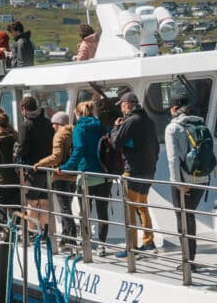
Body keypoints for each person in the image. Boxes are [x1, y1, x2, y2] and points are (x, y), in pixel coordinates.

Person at [164, 95, 210, 271]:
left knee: (183, 218)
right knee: (190, 215)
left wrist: (177, 183)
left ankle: (188, 261)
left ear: (174, 109)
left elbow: (172, 159)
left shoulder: (173, 128)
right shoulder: (201, 123)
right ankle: (190, 258)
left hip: (184, 180)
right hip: (203, 178)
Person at [110, 91, 159, 255]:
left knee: (129, 208)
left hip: (132, 171)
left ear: (126, 105)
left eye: (122, 106)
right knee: (142, 206)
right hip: (149, 171)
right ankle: (148, 241)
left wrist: (116, 127)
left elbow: (116, 144)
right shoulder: (149, 121)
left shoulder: (130, 121)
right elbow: (156, 148)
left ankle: (131, 247)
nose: (121, 109)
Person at [64, 100, 111, 253]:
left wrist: (65, 168)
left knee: (85, 211)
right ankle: (102, 245)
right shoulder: (101, 126)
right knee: (102, 211)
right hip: (103, 174)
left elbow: (79, 150)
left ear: (78, 114)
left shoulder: (79, 128)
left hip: (86, 174)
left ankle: (86, 242)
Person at [35, 111, 77, 248]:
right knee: (67, 207)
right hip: (72, 176)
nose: (52, 126)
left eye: (54, 123)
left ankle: (71, 239)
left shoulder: (59, 135)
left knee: (64, 209)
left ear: (59, 123)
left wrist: (39, 164)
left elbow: (56, 157)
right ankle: (65, 238)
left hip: (60, 176)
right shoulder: (73, 133)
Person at [16, 96, 55, 234]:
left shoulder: (25, 125)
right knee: (44, 202)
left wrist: (17, 157)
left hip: (33, 169)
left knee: (31, 203)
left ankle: (31, 233)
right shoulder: (47, 122)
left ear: (24, 109)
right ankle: (44, 233)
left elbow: (23, 147)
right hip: (47, 168)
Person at [0, 113, 20, 235]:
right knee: (16, 203)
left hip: (1, 177)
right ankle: (16, 227)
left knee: (2, 204)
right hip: (16, 176)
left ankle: (4, 229)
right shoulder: (15, 135)